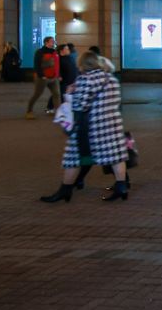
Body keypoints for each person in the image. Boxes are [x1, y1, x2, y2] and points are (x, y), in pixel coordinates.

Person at [40, 52, 131, 203]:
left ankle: (65, 190)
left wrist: (69, 94)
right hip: (112, 124)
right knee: (115, 157)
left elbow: (80, 106)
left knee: (73, 157)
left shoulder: (85, 79)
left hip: (90, 127)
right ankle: (121, 187)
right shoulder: (111, 78)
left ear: (82, 64)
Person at [25, 37, 62, 119]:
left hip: (54, 77)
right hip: (43, 78)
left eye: (54, 41)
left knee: (57, 94)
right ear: (46, 42)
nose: (53, 42)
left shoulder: (55, 52)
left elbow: (57, 64)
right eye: (52, 41)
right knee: (37, 94)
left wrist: (58, 75)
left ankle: (59, 112)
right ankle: (29, 111)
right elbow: (37, 65)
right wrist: (41, 75)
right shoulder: (40, 52)